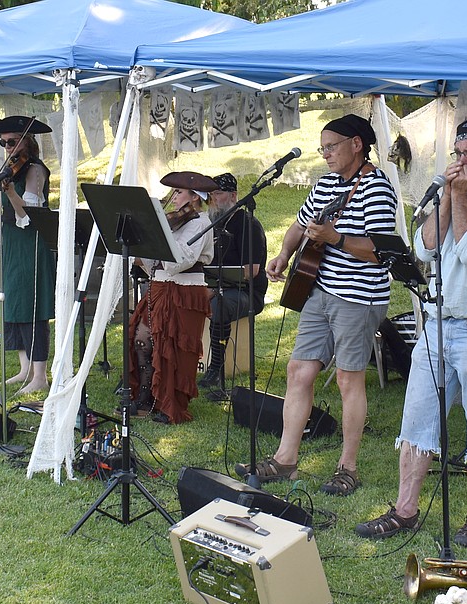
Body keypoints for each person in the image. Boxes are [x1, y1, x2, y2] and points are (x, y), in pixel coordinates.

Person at [355, 117, 467, 546]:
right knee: (416, 419)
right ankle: (405, 509)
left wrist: (458, 197)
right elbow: (425, 246)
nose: (463, 161)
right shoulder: (453, 191)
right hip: (439, 324)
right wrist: (450, 195)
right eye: (458, 154)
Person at [239, 113, 398, 496]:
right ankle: (285, 460)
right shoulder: (326, 184)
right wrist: (282, 255)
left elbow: (380, 253)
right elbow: (299, 225)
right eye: (322, 148)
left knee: (348, 378)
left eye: (332, 147)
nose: (325, 154)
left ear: (356, 144)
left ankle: (348, 467)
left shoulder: (377, 189)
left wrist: (337, 238)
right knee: (299, 370)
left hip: (359, 297)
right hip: (319, 290)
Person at [0, 115, 56, 397]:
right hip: (10, 242)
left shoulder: (35, 171)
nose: (7, 147)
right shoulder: (8, 168)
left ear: (26, 142)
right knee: (13, 302)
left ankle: (40, 374)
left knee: (32, 305)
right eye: (3, 143)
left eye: (11, 142)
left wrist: (9, 191)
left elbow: (28, 214)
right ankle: (24, 368)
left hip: (30, 242)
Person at [126, 170, 218, 424]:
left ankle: (171, 405)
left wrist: (160, 233)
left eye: (178, 192)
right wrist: (142, 246)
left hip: (184, 290)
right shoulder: (172, 222)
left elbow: (181, 261)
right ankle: (146, 396)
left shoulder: (201, 223)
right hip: (159, 287)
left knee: (174, 347)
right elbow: (154, 264)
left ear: (195, 198)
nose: (173, 197)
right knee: (142, 338)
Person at [199, 172, 268, 398]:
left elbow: (251, 271)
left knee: (220, 304)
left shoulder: (248, 224)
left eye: (217, 193)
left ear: (233, 196)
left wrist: (215, 282)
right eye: (210, 194)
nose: (212, 199)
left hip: (246, 292)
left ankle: (215, 369)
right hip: (215, 286)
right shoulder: (210, 223)